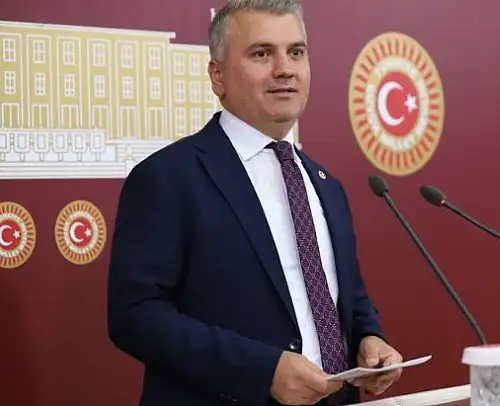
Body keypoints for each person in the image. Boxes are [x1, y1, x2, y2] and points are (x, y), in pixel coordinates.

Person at [106, 0, 403, 405]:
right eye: (262, 54)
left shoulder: (326, 186)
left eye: (296, 52)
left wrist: (369, 339)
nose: (285, 68)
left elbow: (348, 299)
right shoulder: (168, 178)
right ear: (217, 75)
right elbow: (135, 316)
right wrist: (262, 372)